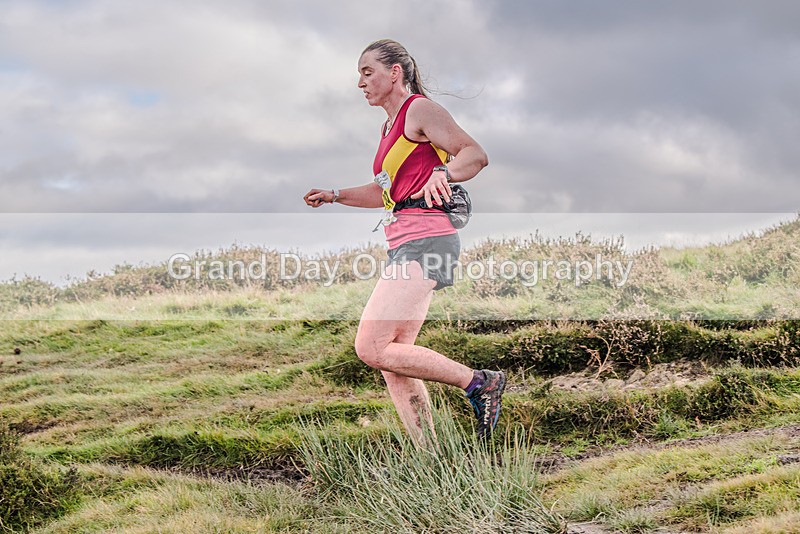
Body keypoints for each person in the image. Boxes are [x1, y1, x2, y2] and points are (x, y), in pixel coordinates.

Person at [304, 39, 504, 443]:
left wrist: (445, 174)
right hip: (405, 242)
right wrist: (336, 194)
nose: (360, 82)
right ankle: (430, 456)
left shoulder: (420, 110)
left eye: (367, 72)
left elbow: (474, 154)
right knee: (394, 361)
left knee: (371, 346)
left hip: (428, 241)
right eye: (359, 74)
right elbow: (386, 193)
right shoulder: (389, 129)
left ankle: (480, 383)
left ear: (395, 72)